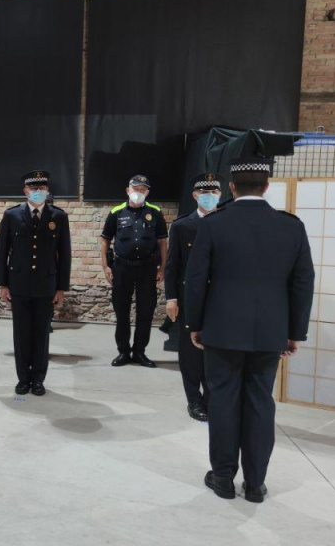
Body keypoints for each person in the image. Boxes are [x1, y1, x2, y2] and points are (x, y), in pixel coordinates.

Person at [185, 157, 314, 503]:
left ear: (231, 188)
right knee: (260, 402)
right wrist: (294, 332)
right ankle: (255, 483)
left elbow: (195, 280)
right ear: (267, 187)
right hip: (271, 331)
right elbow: (303, 282)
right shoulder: (291, 226)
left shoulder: (213, 225)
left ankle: (224, 477)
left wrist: (194, 325)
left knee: (223, 400)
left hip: (222, 328)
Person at [0, 170, 71, 396]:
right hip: (18, 284)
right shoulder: (12, 215)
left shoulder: (58, 216)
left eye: (42, 188)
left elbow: (65, 253)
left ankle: (38, 379)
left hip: (46, 285)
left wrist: (61, 287)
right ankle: (23, 379)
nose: (37, 192)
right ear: (25, 191)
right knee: (21, 334)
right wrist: (3, 284)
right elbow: (2, 251)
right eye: (33, 188)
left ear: (47, 191)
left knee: (41, 334)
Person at [164, 173, 222, 422]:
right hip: (189, 297)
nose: (209, 197)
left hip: (220, 298)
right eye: (204, 193)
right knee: (190, 353)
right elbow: (172, 265)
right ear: (195, 195)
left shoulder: (227, 222)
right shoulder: (182, 225)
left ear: (221, 194)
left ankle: (212, 398)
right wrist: (171, 298)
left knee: (215, 351)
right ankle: (194, 400)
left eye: (214, 192)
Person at [99, 174, 168, 368]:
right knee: (122, 311)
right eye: (135, 189)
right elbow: (105, 240)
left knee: (145, 312)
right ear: (128, 190)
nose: (138, 192)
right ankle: (123, 352)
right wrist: (105, 267)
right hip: (121, 268)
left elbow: (162, 241)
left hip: (147, 269)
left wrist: (162, 267)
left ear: (147, 192)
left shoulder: (155, 212)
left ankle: (139, 352)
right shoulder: (116, 212)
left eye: (142, 190)